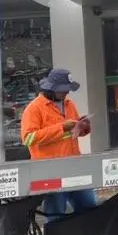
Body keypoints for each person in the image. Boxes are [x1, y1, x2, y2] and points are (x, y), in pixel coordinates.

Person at [20, 68, 95, 222]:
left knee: (89, 207)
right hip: (51, 171)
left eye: (68, 90)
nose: (66, 93)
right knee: (55, 213)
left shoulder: (69, 104)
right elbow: (28, 138)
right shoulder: (34, 109)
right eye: (63, 90)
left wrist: (83, 127)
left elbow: (71, 134)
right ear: (51, 89)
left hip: (74, 167)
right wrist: (62, 127)